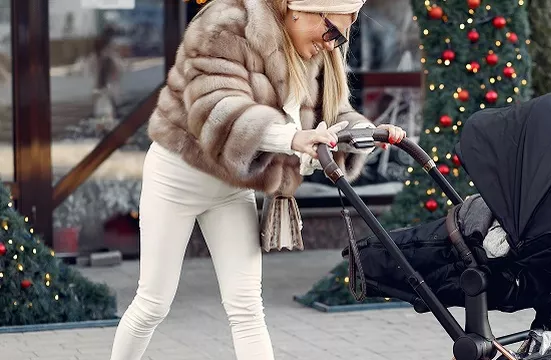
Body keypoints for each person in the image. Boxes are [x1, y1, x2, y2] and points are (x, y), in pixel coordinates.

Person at [109, 0, 406, 359]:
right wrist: (291, 138)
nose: (332, 43)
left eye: (340, 37)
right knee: (153, 302)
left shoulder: (313, 47)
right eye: (331, 31)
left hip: (234, 186)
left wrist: (367, 133)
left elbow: (334, 113)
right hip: (178, 177)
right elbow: (216, 107)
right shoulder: (227, 22)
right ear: (301, 9)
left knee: (247, 307)